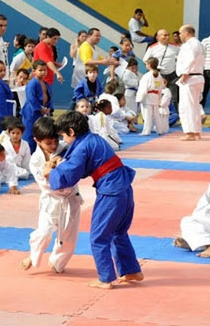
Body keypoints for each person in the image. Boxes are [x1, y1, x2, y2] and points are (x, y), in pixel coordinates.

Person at [48, 111, 143, 289]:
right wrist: (63, 160)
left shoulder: (82, 146)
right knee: (118, 232)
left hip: (111, 192)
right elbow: (79, 162)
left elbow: (69, 175)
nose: (63, 140)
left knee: (98, 237)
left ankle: (106, 278)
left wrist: (51, 173)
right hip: (124, 188)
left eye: (63, 136)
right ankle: (131, 271)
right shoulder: (93, 139)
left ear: (71, 131)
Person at [20, 117, 82, 273]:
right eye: (48, 143)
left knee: (68, 237)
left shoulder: (66, 149)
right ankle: (33, 256)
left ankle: (57, 263)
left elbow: (75, 173)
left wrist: (59, 165)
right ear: (37, 140)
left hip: (70, 198)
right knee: (43, 232)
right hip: (50, 199)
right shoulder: (35, 160)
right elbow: (46, 184)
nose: (53, 146)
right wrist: (51, 170)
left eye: (56, 140)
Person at [176, 24, 205, 141]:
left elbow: (190, 59)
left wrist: (184, 74)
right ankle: (197, 132)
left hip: (190, 78)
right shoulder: (198, 44)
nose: (179, 35)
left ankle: (190, 132)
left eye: (180, 33)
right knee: (195, 106)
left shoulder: (190, 44)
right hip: (197, 77)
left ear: (187, 33)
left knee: (186, 107)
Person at [21, 60, 52, 152]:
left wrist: (49, 108)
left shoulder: (46, 84)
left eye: (45, 70)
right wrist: (39, 108)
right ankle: (28, 155)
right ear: (34, 71)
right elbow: (31, 98)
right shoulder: (32, 83)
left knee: (41, 135)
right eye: (40, 70)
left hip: (42, 113)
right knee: (30, 136)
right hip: (31, 114)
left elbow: (49, 97)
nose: (43, 72)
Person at [145, 29, 180, 109]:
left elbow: (182, 57)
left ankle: (174, 115)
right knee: (157, 95)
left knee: (173, 96)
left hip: (172, 75)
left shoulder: (175, 47)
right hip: (158, 75)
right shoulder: (152, 47)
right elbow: (146, 60)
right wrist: (154, 70)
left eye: (168, 35)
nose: (167, 37)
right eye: (164, 35)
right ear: (158, 37)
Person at [136, 57, 165, 136]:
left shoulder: (147, 76)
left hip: (148, 97)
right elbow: (161, 87)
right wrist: (159, 98)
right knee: (156, 115)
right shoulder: (159, 75)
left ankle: (146, 131)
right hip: (155, 96)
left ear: (149, 65)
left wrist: (140, 98)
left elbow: (143, 88)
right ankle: (160, 130)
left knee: (147, 115)